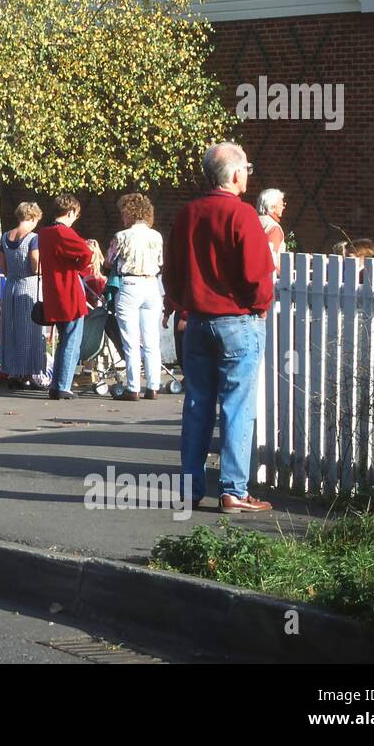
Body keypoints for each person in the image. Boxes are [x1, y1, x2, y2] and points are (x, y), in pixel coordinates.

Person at [164, 141, 274, 514]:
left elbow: (174, 272)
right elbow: (257, 272)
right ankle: (233, 490)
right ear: (237, 173)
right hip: (236, 320)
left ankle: (189, 487)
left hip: (196, 321)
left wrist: (181, 304)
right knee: (237, 407)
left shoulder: (187, 214)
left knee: (197, 405)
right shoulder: (241, 215)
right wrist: (260, 307)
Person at [107, 193, 164, 401]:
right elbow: (160, 260)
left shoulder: (121, 236)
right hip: (151, 283)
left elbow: (109, 260)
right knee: (151, 339)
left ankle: (133, 387)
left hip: (130, 283)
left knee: (131, 341)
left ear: (128, 213)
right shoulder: (156, 236)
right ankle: (153, 385)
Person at [36, 194, 92, 399]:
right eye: (74, 216)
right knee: (72, 339)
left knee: (63, 339)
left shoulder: (43, 232)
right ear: (70, 212)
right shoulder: (63, 232)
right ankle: (63, 385)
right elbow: (86, 252)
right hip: (68, 289)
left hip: (53, 291)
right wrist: (77, 266)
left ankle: (56, 384)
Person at [0, 202, 47, 388]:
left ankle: (13, 371)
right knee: (29, 330)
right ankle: (29, 371)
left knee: (11, 330)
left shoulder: (5, 237)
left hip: (10, 286)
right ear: (33, 217)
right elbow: (35, 262)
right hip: (28, 286)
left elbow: (3, 267)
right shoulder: (33, 238)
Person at [256, 188, 286, 269]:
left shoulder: (253, 221)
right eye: (282, 204)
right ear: (273, 206)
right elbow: (272, 258)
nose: (283, 207)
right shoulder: (273, 228)